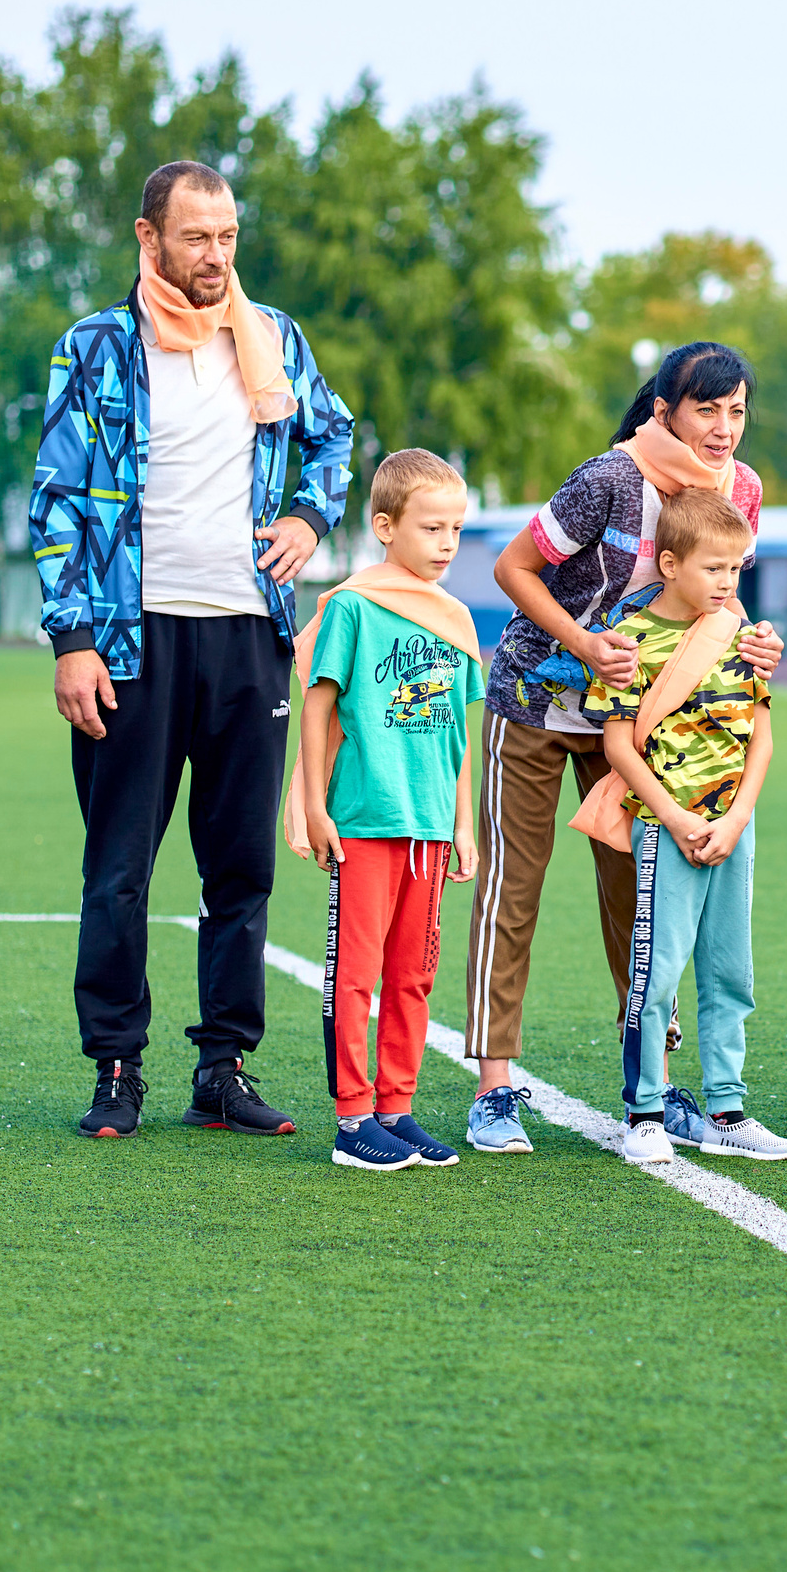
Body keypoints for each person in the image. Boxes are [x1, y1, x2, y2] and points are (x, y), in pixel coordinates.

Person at [31, 160, 355, 1141]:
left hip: (249, 634)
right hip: (131, 644)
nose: (214, 256)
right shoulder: (95, 348)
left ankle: (224, 1067)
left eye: (226, 238)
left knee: (240, 866)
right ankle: (116, 1067)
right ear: (149, 239)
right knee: (119, 867)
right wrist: (73, 639)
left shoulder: (274, 341)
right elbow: (54, 496)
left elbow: (332, 437)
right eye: (195, 237)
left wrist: (309, 514)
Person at [464, 343, 784, 1155]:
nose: (722, 428)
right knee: (514, 889)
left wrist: (753, 645)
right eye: (706, 409)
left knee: (643, 901)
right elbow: (513, 565)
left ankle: (653, 1087)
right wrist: (584, 640)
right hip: (538, 702)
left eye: (736, 410)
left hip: (641, 725)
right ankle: (494, 1090)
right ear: (663, 410)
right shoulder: (607, 479)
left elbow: (720, 601)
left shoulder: (740, 489)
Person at [579, 486, 787, 1164]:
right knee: (658, 971)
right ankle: (645, 1111)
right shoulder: (630, 639)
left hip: (733, 829)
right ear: (669, 564)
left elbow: (762, 738)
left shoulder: (742, 635)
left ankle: (727, 1109)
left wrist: (735, 818)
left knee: (731, 969)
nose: (726, 582)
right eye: (713, 568)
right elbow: (616, 744)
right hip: (664, 828)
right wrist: (672, 817)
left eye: (736, 569)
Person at [285, 450, 483, 1172]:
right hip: (365, 822)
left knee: (412, 975)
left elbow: (461, 731)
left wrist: (464, 823)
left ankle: (396, 1110)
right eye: (432, 528)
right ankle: (352, 1119)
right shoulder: (352, 606)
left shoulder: (456, 620)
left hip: (430, 830)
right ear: (384, 526)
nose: (446, 544)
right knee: (356, 975)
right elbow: (317, 706)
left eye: (456, 529)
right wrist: (312, 803)